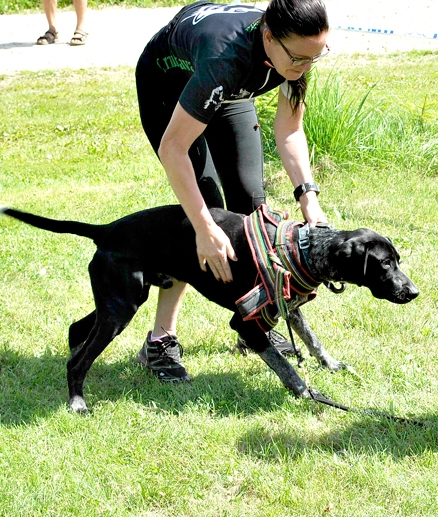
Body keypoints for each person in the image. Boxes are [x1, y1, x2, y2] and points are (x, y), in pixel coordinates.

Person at [134, 0, 330, 382]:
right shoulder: (225, 60)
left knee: (252, 210)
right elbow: (173, 149)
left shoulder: (295, 54)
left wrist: (310, 200)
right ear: (269, 37)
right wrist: (206, 228)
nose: (305, 68)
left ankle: (254, 319)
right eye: (300, 59)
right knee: (205, 214)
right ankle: (159, 341)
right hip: (171, 89)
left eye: (316, 57)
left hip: (228, 91)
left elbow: (290, 130)